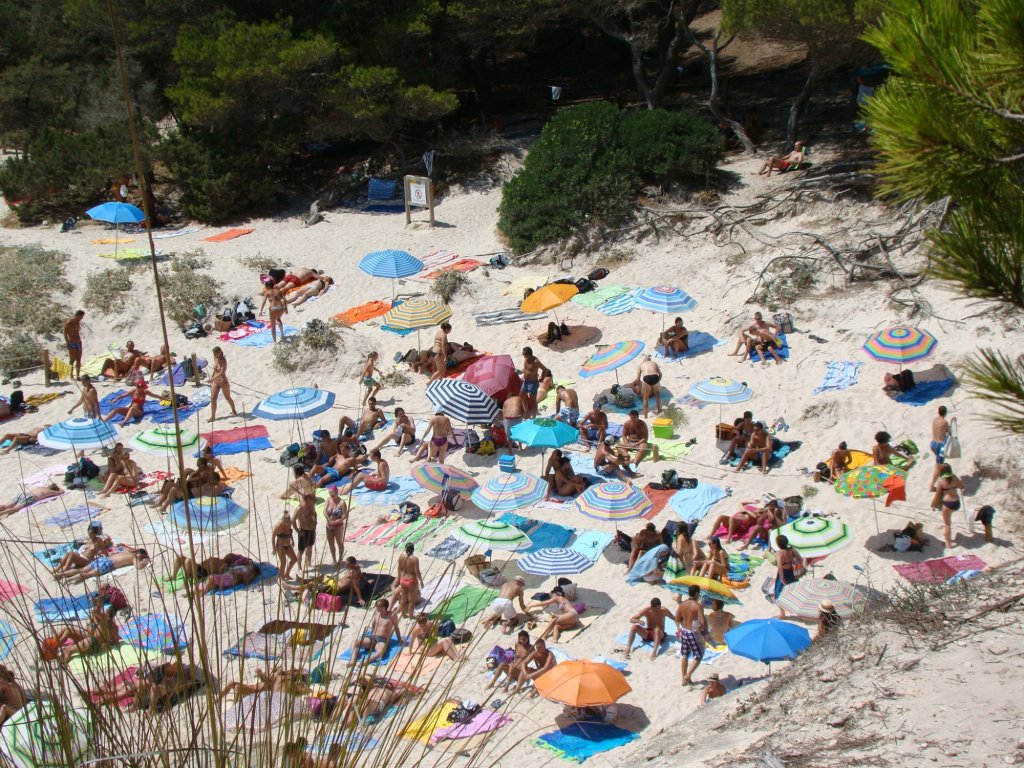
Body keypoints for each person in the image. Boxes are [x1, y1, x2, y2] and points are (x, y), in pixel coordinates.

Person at [51, 594, 123, 662]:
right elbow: (115, 641)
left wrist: (99, 602)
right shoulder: (107, 623)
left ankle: (58, 656)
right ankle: (54, 644)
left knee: (68, 649)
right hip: (90, 639)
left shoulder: (105, 621)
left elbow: (95, 611)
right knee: (67, 631)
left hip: (93, 643)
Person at [348, 599, 401, 666]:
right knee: (354, 642)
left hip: (382, 640)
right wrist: (372, 630)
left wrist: (399, 639)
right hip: (372, 637)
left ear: (384, 608)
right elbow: (374, 623)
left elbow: (396, 627)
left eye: (378, 607)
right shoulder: (376, 613)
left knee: (381, 651)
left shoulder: (392, 615)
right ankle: (353, 660)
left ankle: (366, 661)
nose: (377, 608)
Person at [55, 547, 149, 584]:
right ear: (140, 555)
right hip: (108, 564)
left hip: (103, 559)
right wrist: (144, 562)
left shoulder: (126, 551)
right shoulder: (134, 557)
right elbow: (138, 567)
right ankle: (68, 580)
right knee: (88, 574)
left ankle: (61, 574)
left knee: (82, 570)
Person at [676, 584, 708, 685]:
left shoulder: (682, 604)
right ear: (697, 594)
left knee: (685, 655)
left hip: (684, 631)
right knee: (699, 655)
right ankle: (687, 676)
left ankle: (683, 679)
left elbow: (677, 619)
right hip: (693, 632)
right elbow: (702, 622)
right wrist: (705, 632)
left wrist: (683, 624)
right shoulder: (698, 606)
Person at [219, 668, 307, 702]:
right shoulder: (279, 675)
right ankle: (218, 699)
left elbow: (269, 683)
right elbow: (265, 680)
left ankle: (235, 703)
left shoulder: (282, 680)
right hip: (251, 686)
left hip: (254, 691)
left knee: (237, 687)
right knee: (230, 683)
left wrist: (261, 674)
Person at [932, 463, 965, 549]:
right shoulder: (955, 478)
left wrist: (934, 505)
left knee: (947, 524)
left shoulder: (941, 482)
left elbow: (937, 495)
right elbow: (962, 486)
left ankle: (948, 543)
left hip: (947, 503)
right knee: (948, 521)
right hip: (956, 503)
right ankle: (948, 539)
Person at [195, 560, 260, 595]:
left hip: (231, 579)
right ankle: (198, 590)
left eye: (252, 566)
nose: (250, 566)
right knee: (210, 582)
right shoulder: (246, 568)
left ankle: (204, 592)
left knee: (211, 578)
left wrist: (241, 575)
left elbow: (246, 581)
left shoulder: (252, 574)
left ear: (254, 569)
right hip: (228, 576)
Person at [208, 347, 237, 422]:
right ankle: (213, 416)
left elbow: (221, 372)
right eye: (214, 354)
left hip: (223, 382)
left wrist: (212, 379)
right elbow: (215, 370)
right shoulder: (215, 359)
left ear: (220, 352)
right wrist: (212, 378)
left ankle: (234, 410)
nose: (214, 355)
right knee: (213, 399)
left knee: (227, 397)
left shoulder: (223, 361)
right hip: (215, 382)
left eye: (215, 353)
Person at [521, 347, 550, 418]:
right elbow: (526, 368)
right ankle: (526, 412)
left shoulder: (536, 361)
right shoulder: (526, 359)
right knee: (522, 396)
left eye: (524, 354)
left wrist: (542, 378)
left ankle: (533, 417)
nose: (522, 355)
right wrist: (522, 371)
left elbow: (545, 370)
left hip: (533, 383)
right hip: (526, 381)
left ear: (528, 354)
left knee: (533, 401)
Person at [395, 544, 423, 619]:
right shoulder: (415, 559)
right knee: (411, 600)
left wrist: (399, 579)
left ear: (405, 549)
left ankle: (403, 614)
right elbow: (417, 572)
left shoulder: (401, 557)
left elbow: (399, 569)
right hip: (411, 580)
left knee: (403, 598)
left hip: (403, 579)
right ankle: (410, 615)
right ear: (413, 549)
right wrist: (421, 581)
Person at [323, 487, 348, 566]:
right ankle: (334, 559)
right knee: (331, 543)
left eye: (332, 492)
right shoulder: (328, 500)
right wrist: (329, 520)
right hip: (329, 525)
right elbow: (324, 511)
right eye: (329, 493)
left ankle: (340, 559)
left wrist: (339, 521)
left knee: (339, 542)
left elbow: (345, 515)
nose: (331, 494)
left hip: (338, 525)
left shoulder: (342, 503)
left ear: (336, 492)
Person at [774, 534, 800, 607]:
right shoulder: (792, 550)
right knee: (793, 589)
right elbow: (798, 558)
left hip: (784, 572)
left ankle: (782, 613)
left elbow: (780, 566)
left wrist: (782, 578)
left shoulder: (779, 553)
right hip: (792, 571)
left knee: (779, 591)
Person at [930, 405, 951, 491]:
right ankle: (931, 486)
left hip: (933, 443)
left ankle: (941, 479)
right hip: (940, 446)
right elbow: (949, 433)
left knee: (939, 465)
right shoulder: (945, 422)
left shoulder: (935, 420)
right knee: (938, 468)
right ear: (945, 413)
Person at [273, 511, 299, 580]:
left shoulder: (289, 523)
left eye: (289, 522)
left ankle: (287, 574)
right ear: (284, 521)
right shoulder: (279, 526)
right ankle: (282, 578)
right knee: (283, 562)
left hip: (288, 544)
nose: (289, 524)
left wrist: (292, 540)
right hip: (280, 546)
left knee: (294, 559)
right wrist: (274, 548)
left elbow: (290, 532)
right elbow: (273, 537)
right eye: (287, 523)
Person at [63, 309, 85, 379]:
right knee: (72, 360)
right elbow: (65, 334)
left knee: (79, 359)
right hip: (72, 343)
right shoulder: (69, 322)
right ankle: (71, 375)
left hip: (78, 342)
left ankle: (78, 375)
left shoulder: (77, 322)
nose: (82, 318)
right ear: (77, 316)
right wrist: (67, 343)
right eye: (81, 317)